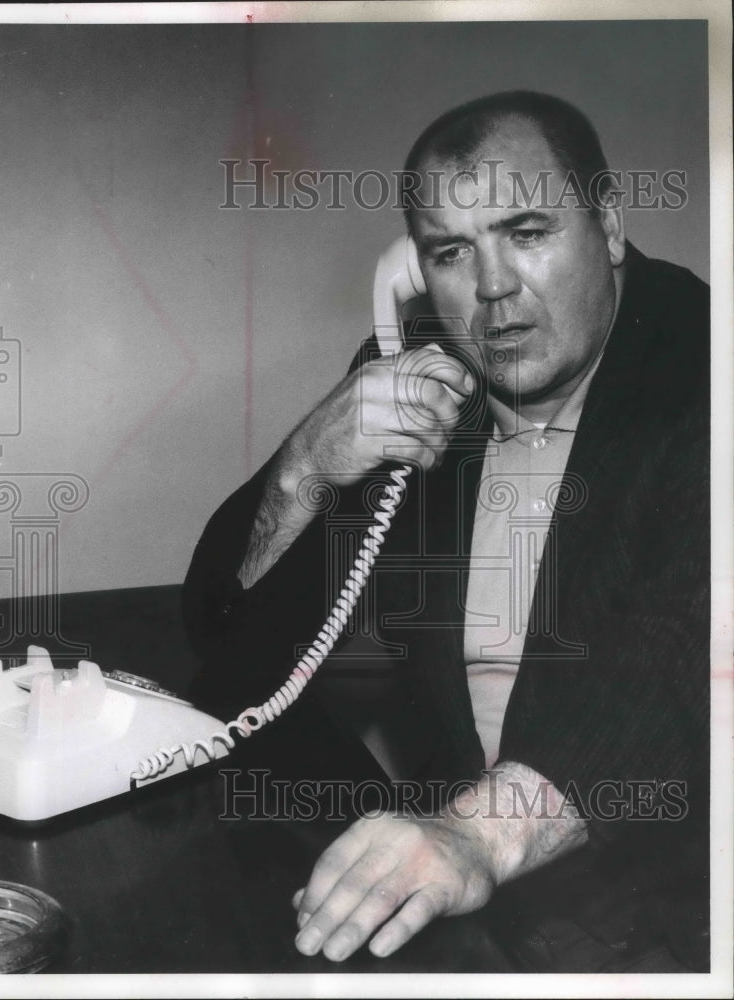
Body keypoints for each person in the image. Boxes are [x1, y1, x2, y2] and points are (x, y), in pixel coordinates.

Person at [183, 91, 709, 968]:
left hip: (666, 903)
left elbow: (684, 653)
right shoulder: (417, 374)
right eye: (452, 251)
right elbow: (227, 645)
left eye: (528, 231)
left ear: (609, 228)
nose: (493, 288)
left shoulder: (704, 367)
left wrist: (475, 837)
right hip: (457, 900)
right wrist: (306, 463)